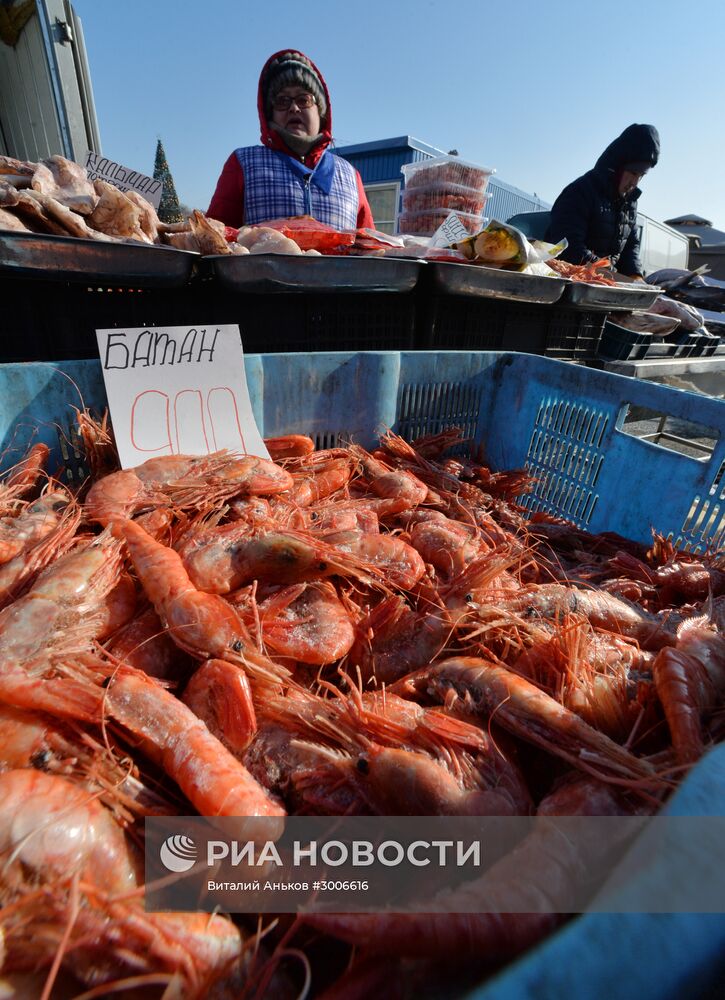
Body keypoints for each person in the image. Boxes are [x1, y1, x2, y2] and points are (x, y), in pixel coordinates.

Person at [207, 49, 373, 231]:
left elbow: (369, 246)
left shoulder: (349, 175)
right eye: (282, 101)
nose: (294, 108)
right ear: (269, 113)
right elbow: (214, 236)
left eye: (304, 100)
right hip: (262, 261)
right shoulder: (243, 163)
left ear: (321, 112)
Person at [546, 124, 660, 279]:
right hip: (567, 284)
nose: (635, 182)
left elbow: (630, 247)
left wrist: (635, 276)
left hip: (604, 284)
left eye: (641, 175)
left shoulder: (629, 203)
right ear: (617, 166)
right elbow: (567, 246)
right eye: (633, 173)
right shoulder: (580, 192)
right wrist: (608, 274)